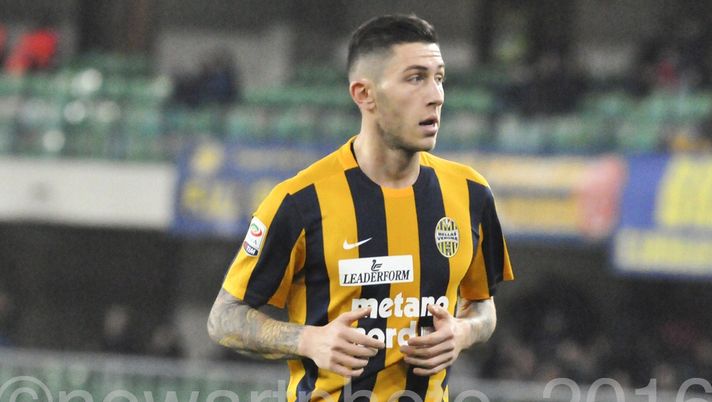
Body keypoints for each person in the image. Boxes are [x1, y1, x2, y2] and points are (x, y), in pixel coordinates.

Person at [208, 14, 513, 401]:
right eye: (415, 78)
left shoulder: (471, 194)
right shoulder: (300, 201)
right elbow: (224, 317)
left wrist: (463, 331)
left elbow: (483, 306)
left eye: (439, 78)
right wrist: (307, 340)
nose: (436, 95)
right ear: (364, 94)